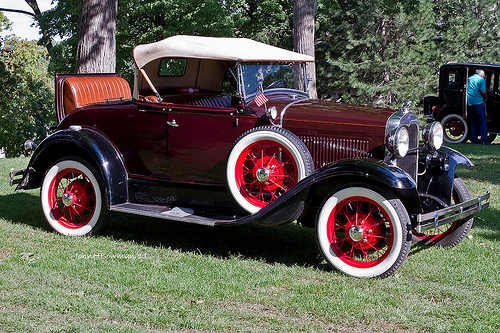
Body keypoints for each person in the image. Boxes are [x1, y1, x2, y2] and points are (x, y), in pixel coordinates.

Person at [466, 69, 488, 144]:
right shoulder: (481, 80)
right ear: (481, 75)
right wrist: (485, 97)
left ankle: (474, 140)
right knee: (482, 122)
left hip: (470, 102)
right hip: (478, 102)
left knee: (473, 122)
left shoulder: (469, 79)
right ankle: (484, 140)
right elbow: (483, 91)